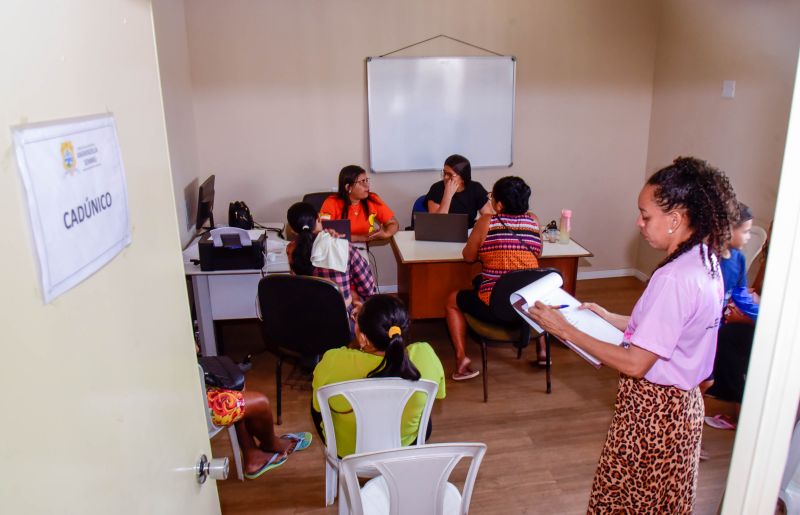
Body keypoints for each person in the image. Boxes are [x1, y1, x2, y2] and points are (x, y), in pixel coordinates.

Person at [529, 156, 737, 513]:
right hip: (681, 409)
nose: (638, 222)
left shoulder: (673, 278)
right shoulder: (705, 260)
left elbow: (636, 362)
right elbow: (670, 329)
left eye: (646, 215)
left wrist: (564, 329)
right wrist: (612, 318)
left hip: (653, 415)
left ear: (675, 219)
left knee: (630, 501)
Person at [311, 294, 446, 458]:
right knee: (422, 409)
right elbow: (438, 396)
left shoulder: (333, 362)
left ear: (362, 338)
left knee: (315, 405)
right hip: (404, 446)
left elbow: (318, 408)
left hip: (349, 453)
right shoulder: (425, 355)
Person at [444, 176, 543, 380]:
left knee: (452, 299)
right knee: (534, 286)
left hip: (496, 308)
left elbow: (468, 257)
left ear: (498, 204)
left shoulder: (487, 222)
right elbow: (538, 252)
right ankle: (542, 350)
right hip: (527, 307)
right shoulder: (533, 220)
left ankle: (462, 360)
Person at [705, 202, 760, 428]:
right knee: (700, 383)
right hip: (702, 331)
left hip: (719, 328)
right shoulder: (706, 258)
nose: (748, 237)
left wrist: (763, 317)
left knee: (707, 382)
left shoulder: (738, 259)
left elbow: (740, 294)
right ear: (726, 229)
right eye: (745, 231)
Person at [286, 201, 377, 328]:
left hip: (308, 321)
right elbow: (368, 288)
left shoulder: (291, 250)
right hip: (341, 323)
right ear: (318, 218)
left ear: (292, 229)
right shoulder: (343, 247)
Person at [205, 386, 312, 479]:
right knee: (261, 402)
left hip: (196, 394)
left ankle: (252, 455)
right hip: (201, 406)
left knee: (234, 388)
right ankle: (272, 444)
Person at [319, 165, 400, 242]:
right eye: (362, 182)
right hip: (337, 249)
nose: (367, 185)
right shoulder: (331, 203)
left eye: (366, 180)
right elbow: (323, 232)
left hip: (362, 249)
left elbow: (393, 223)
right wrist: (360, 238)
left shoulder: (372, 199)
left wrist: (386, 233)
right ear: (348, 187)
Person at [426, 154, 493, 228]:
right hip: (442, 233)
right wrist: (447, 195)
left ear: (463, 177)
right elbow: (436, 224)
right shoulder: (436, 188)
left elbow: (489, 218)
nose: (445, 177)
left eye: (450, 174)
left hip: (468, 233)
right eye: (444, 173)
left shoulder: (475, 188)